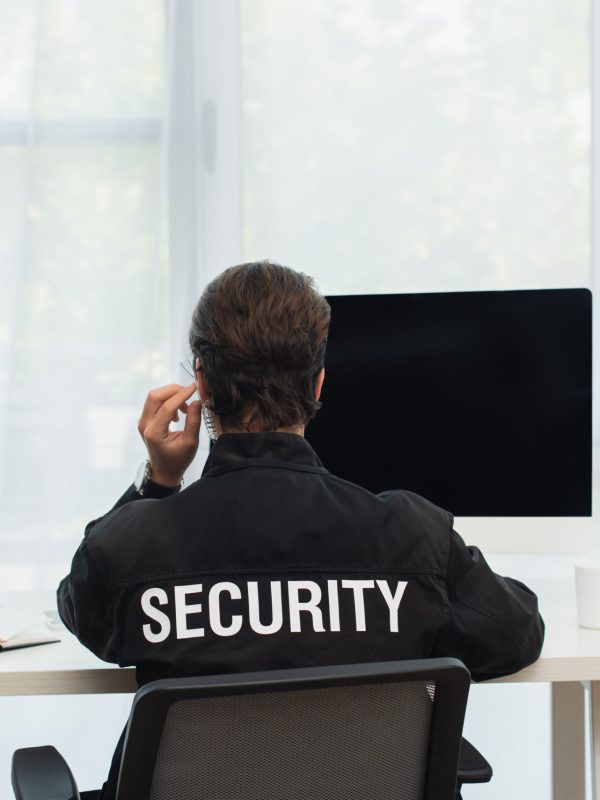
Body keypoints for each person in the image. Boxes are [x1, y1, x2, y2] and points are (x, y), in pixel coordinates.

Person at [57, 260, 544, 798]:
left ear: (203, 385)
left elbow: (83, 608)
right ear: (318, 382)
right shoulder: (411, 536)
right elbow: (515, 633)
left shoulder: (134, 546)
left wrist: (158, 481)